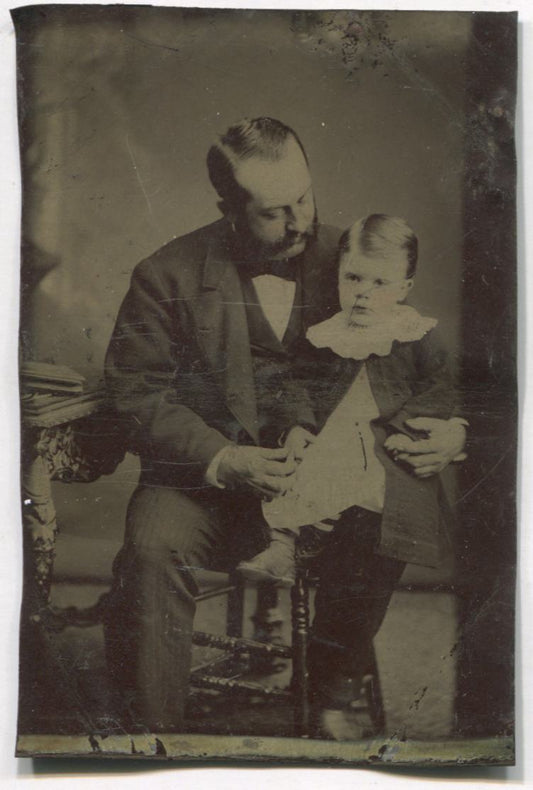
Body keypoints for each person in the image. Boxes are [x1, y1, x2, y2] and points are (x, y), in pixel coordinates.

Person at [103, 117, 467, 736]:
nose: (300, 221)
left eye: (305, 197)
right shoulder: (166, 275)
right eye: (275, 212)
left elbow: (420, 364)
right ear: (229, 208)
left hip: (332, 488)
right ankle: (149, 745)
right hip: (206, 485)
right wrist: (223, 458)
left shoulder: (352, 260)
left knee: (389, 506)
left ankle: (329, 683)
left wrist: (454, 432)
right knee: (151, 548)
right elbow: (135, 393)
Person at [238, 212, 459, 587]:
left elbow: (439, 389)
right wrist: (296, 424)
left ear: (404, 288)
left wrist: (406, 429)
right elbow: (296, 384)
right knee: (296, 467)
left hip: (382, 442)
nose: (363, 292)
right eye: (353, 277)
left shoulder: (415, 335)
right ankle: (284, 548)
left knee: (364, 496)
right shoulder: (326, 335)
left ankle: (313, 540)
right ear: (339, 274)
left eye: (380, 282)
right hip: (330, 435)